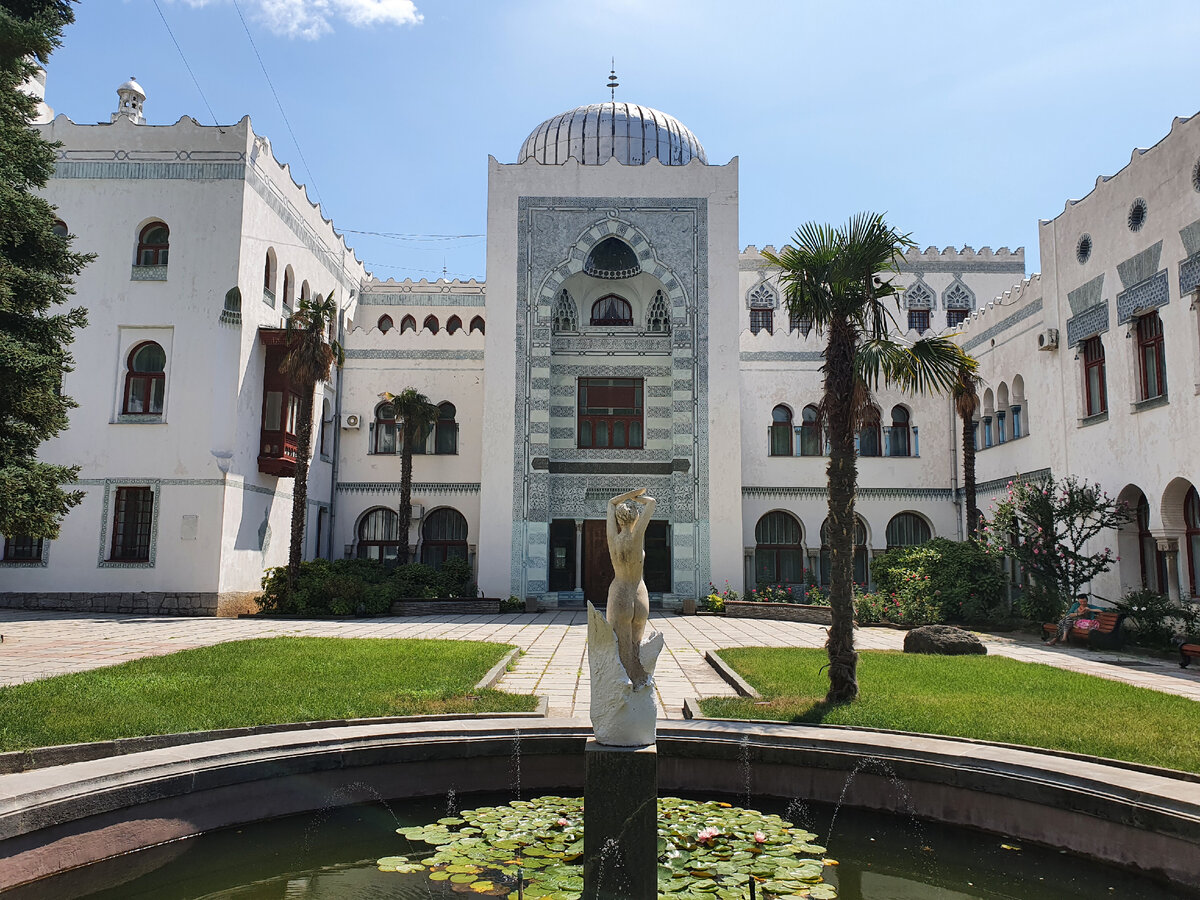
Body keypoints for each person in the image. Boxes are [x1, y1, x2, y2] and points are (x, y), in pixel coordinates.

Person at [605, 487, 656, 687]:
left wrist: (625, 496)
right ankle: (637, 687)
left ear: (618, 519)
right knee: (636, 649)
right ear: (635, 519)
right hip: (639, 593)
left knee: (620, 650)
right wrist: (637, 496)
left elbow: (610, 503)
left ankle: (621, 691)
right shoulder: (637, 537)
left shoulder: (613, 539)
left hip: (619, 593)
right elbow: (651, 503)